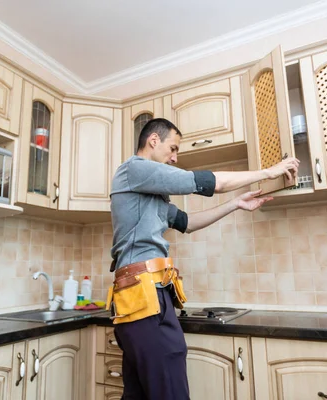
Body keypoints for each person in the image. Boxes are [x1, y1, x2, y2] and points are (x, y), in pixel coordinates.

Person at [108, 118, 299, 400]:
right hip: (144, 296)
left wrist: (236, 204)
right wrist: (270, 172)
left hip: (141, 298)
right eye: (172, 148)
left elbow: (187, 222)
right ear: (153, 141)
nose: (174, 158)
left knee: (138, 394)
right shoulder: (135, 169)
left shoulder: (149, 194)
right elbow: (212, 182)